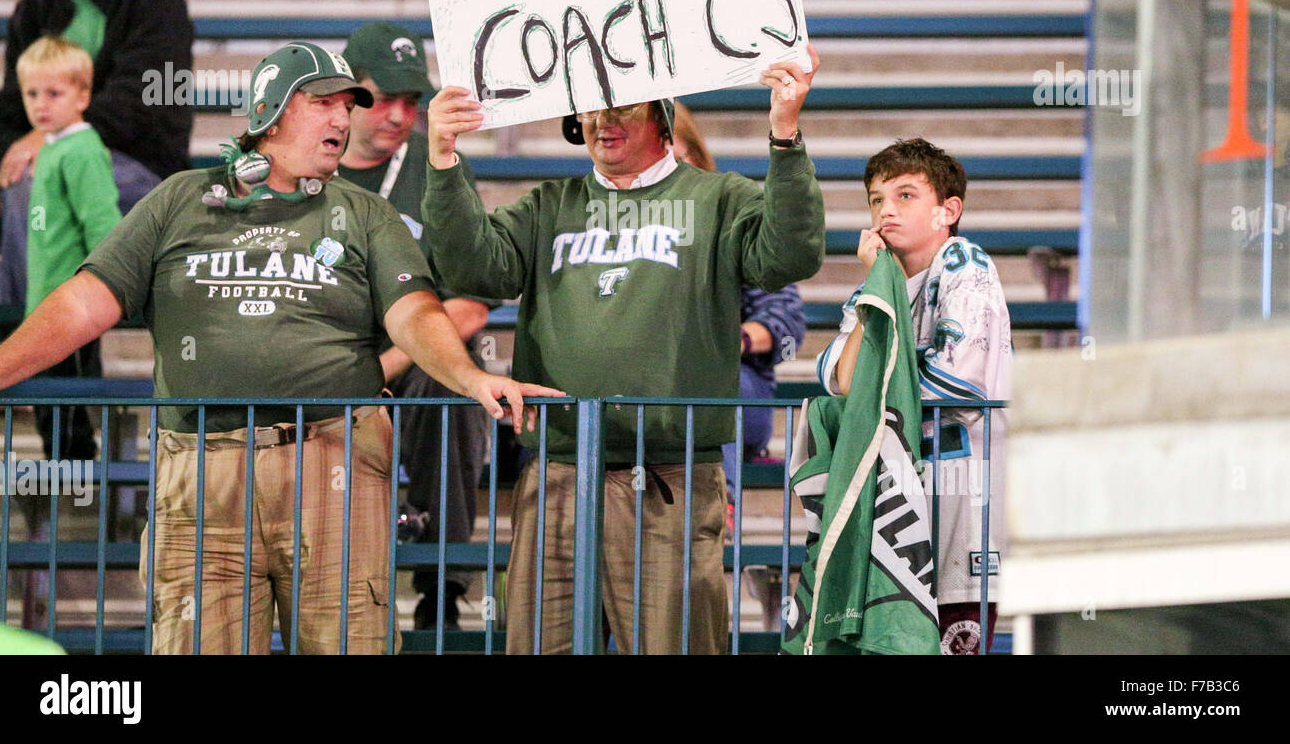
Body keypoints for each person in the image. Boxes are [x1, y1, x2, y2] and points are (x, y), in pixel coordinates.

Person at [0, 41, 561, 654]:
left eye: (349, 107)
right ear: (268, 111)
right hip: (202, 469)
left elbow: (414, 313)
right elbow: (83, 303)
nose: (342, 119)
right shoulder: (180, 200)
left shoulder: (365, 214)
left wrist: (468, 377)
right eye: (323, 103)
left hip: (332, 462)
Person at [421, 45, 826, 654]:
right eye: (589, 108)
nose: (602, 120)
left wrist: (786, 133)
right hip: (557, 475)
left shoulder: (718, 199)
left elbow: (791, 255)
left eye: (622, 104)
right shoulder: (547, 206)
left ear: (662, 114)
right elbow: (475, 268)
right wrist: (445, 159)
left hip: (671, 478)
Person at [816, 138, 1011, 655]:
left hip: (960, 503)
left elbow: (961, 385)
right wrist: (875, 284)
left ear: (948, 210)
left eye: (904, 196)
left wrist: (877, 389)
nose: (886, 211)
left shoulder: (966, 263)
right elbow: (839, 378)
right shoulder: (880, 284)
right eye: (877, 199)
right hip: (897, 506)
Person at [338, 21, 500, 630]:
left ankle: (442, 586)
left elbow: (470, 304)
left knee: (455, 380)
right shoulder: (306, 160)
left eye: (414, 101)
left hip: (409, 352)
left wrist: (389, 362)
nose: (401, 115)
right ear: (347, 91)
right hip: (322, 348)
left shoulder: (439, 165)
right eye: (384, 98)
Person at [0, 0, 193, 309]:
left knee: (40, 180)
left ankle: (35, 352)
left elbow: (145, 100)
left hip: (145, 172)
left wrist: (50, 140)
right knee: (32, 176)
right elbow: (9, 108)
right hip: (64, 164)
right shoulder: (35, 9)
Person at [669, 102, 806, 524]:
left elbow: (787, 325)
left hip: (731, 389)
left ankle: (715, 508)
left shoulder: (734, 219)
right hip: (646, 392)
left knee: (711, 379)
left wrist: (733, 341)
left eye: (673, 162)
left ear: (694, 156)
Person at [19, 36, 121, 460]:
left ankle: (80, 500)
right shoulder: (55, 146)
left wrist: (97, 292)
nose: (40, 104)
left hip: (71, 309)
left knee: (66, 409)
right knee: (50, 407)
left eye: (54, 93)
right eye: (31, 93)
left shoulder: (80, 151)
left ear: (83, 96)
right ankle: (67, 498)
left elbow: (103, 225)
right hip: (48, 304)